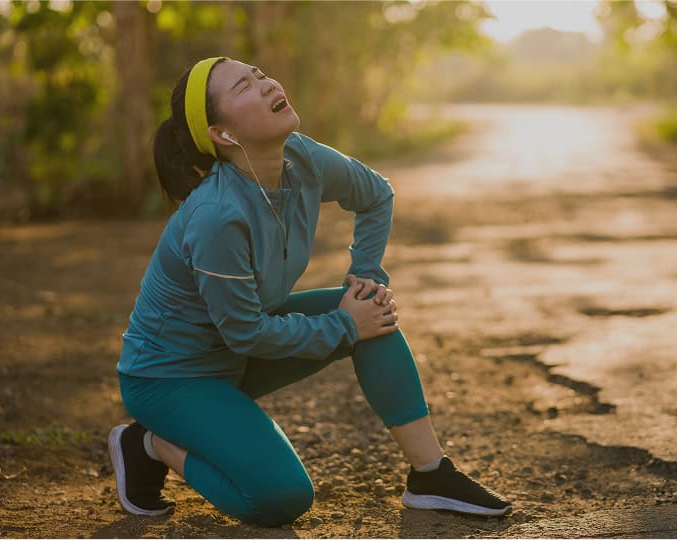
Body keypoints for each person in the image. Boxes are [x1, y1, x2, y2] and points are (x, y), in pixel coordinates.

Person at [108, 56, 511, 527]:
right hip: (170, 378)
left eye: (259, 74)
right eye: (244, 86)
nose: (265, 84)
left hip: (234, 354)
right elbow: (246, 334)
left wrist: (367, 275)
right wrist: (343, 324)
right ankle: (149, 445)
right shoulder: (216, 216)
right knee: (281, 498)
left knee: (370, 312)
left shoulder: (302, 158)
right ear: (224, 134)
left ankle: (431, 476)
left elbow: (376, 194)